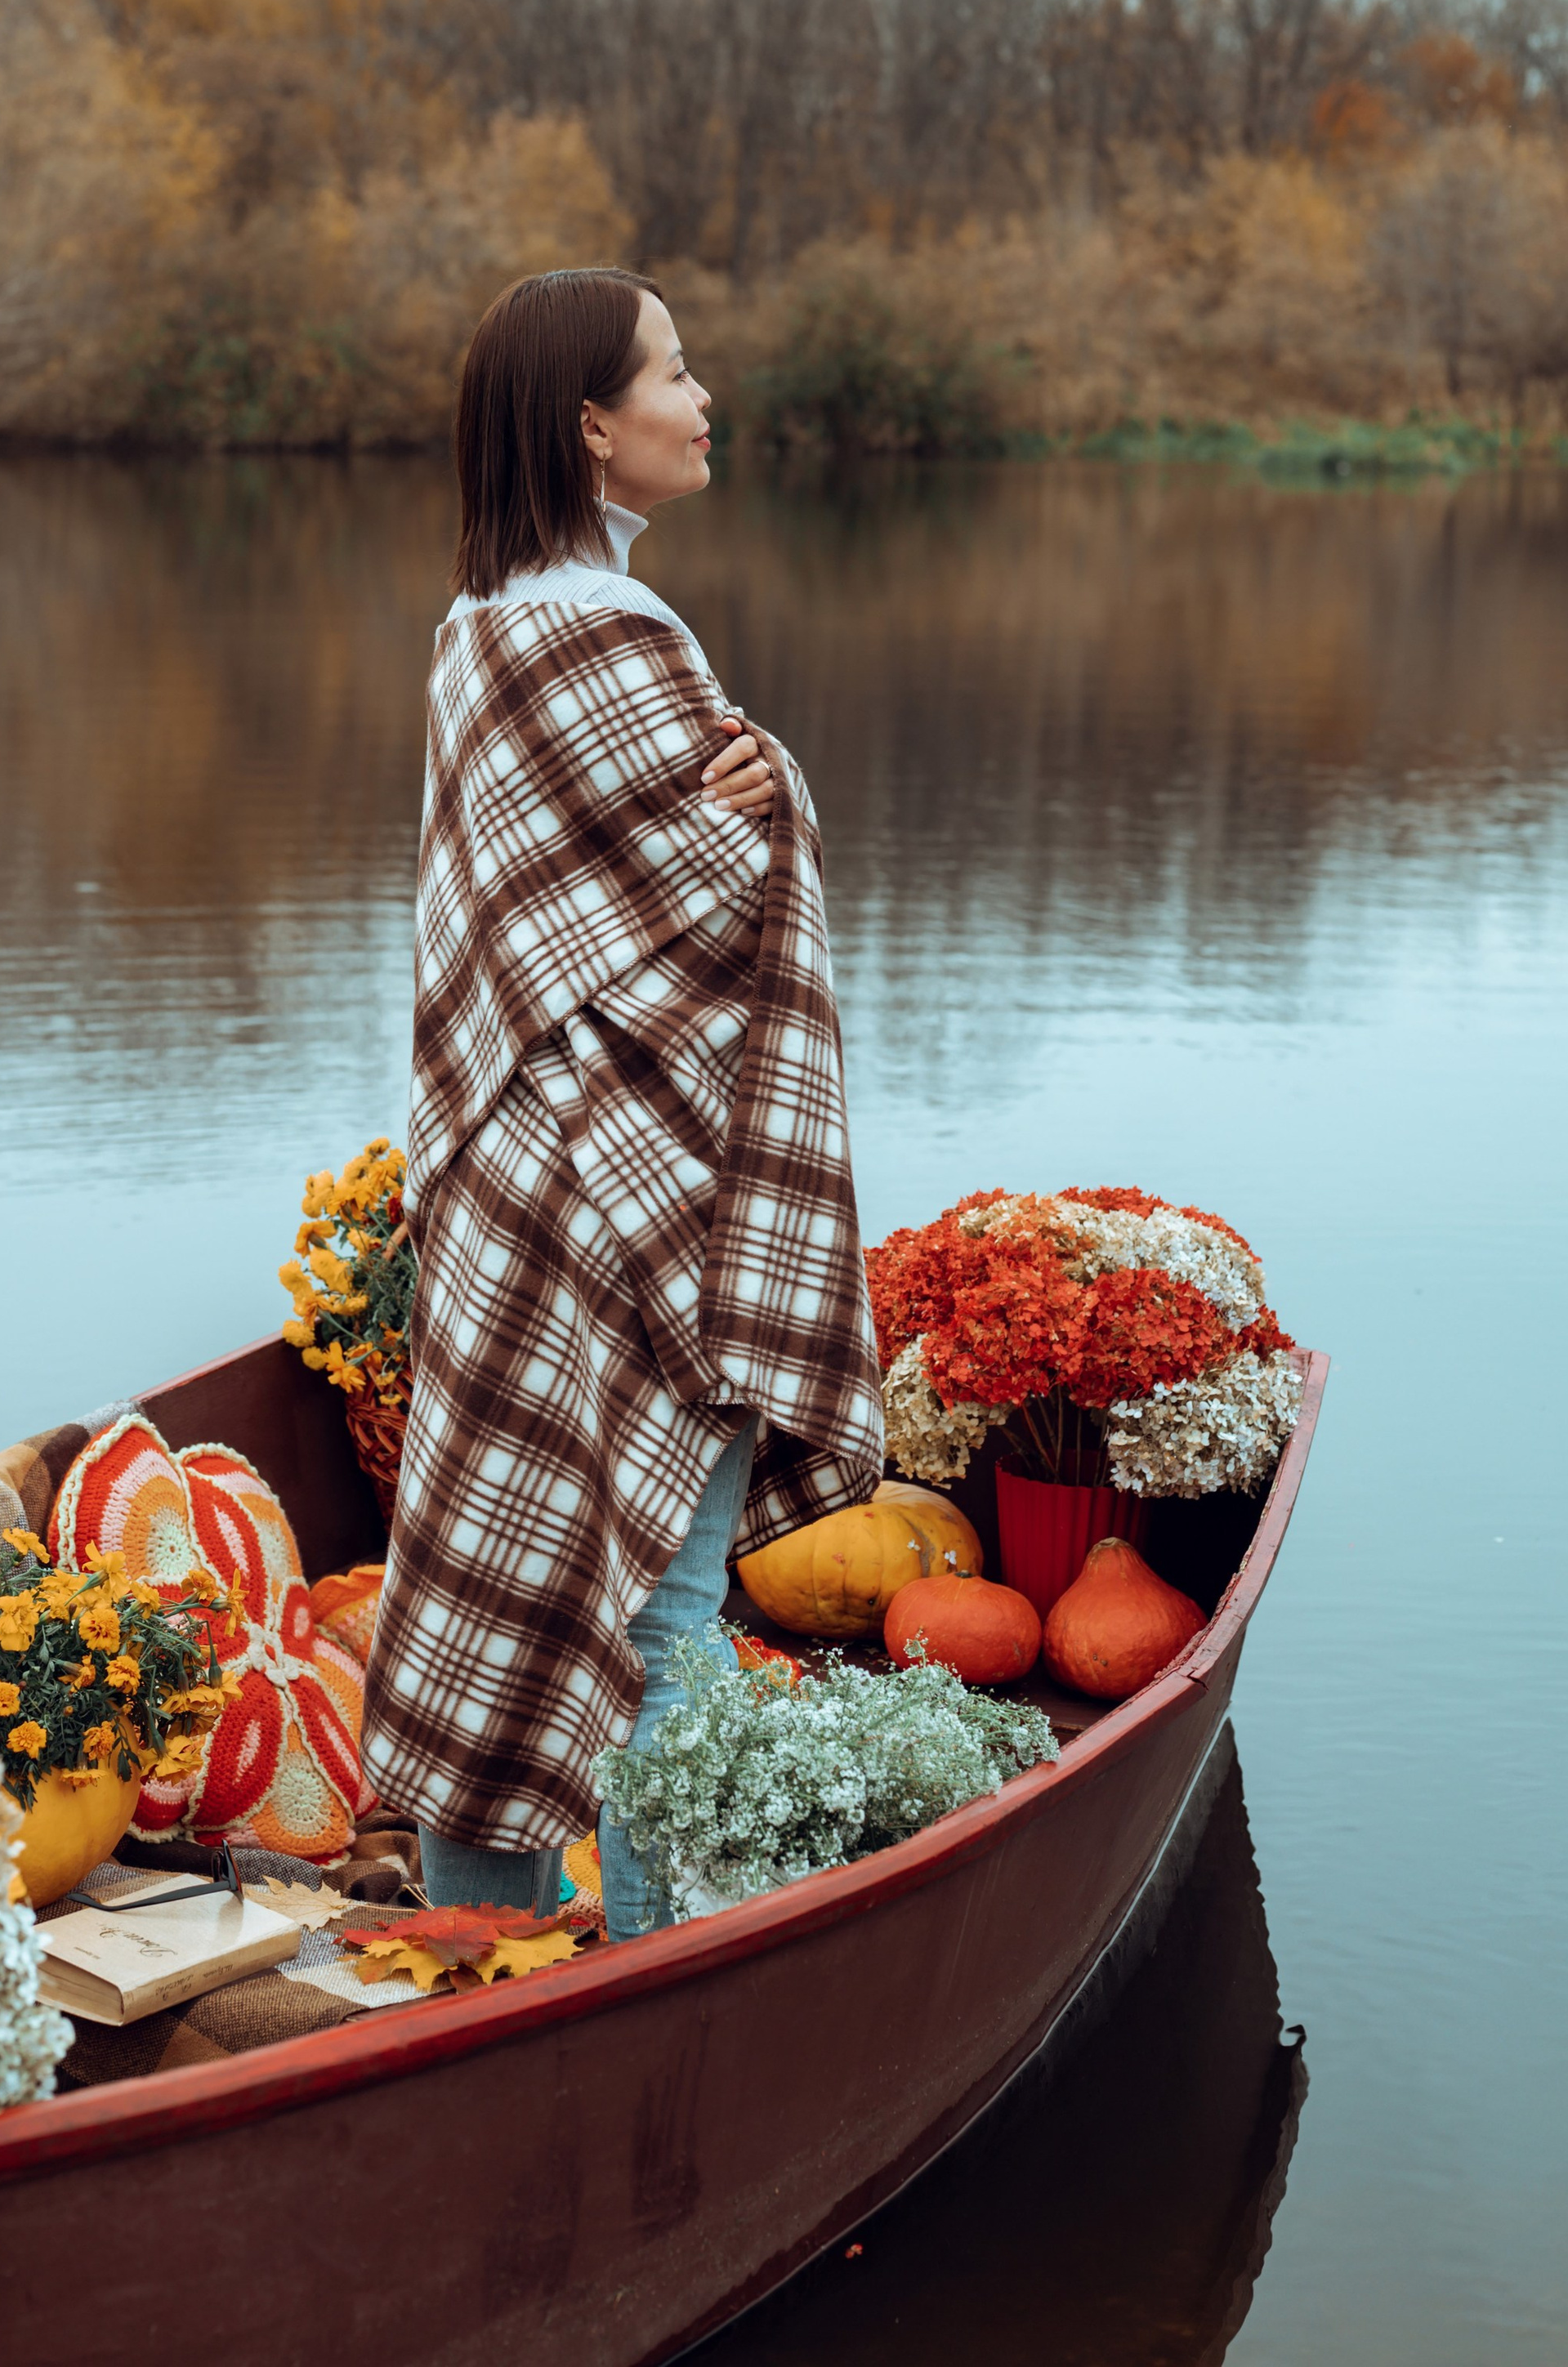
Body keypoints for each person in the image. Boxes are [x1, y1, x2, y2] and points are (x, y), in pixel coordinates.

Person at [360, 266, 885, 1938]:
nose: (703, 394)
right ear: (591, 425)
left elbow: (559, 918)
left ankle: (471, 1981)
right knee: (661, 1610)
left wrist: (760, 783)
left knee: (499, 1606)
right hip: (631, 1196)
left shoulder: (481, 632)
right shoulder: (606, 632)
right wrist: (780, 796)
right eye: (673, 370)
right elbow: (717, 895)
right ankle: (669, 1975)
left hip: (514, 1183)